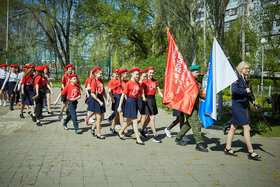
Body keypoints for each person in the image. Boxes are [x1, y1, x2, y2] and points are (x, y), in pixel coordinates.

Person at [225, 61, 261, 161]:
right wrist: (245, 90)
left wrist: (253, 101)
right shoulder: (236, 79)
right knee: (247, 127)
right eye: (246, 68)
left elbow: (249, 94)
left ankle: (227, 148)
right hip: (237, 106)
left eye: (249, 68)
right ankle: (251, 152)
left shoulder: (246, 81)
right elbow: (235, 91)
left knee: (233, 127)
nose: (248, 70)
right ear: (241, 69)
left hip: (244, 106)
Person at [174, 65, 208, 152]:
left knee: (189, 123)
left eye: (198, 71)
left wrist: (202, 96)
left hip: (195, 106)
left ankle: (178, 138)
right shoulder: (187, 82)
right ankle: (199, 143)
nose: (198, 73)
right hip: (189, 106)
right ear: (191, 72)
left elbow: (199, 93)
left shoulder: (197, 82)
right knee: (196, 123)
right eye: (196, 72)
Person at [117, 68, 144, 145]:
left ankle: (120, 131)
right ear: (132, 74)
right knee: (134, 120)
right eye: (136, 74)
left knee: (128, 121)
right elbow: (123, 95)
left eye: (138, 74)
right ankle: (138, 138)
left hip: (135, 102)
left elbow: (139, 95)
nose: (137, 75)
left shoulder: (138, 83)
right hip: (129, 102)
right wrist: (119, 106)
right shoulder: (128, 83)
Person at [139, 66, 163, 143]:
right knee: (152, 117)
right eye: (150, 73)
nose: (151, 74)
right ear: (146, 73)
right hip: (147, 99)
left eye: (152, 73)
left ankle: (142, 131)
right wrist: (143, 96)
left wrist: (164, 97)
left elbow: (158, 91)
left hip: (153, 99)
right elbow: (142, 90)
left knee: (149, 118)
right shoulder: (144, 81)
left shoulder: (155, 81)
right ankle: (155, 135)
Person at [86, 67, 108, 139]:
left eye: (102, 74)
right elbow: (92, 93)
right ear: (95, 74)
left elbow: (103, 91)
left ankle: (93, 127)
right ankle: (98, 134)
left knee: (102, 117)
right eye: (100, 74)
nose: (101, 75)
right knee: (98, 118)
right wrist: (99, 101)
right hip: (96, 100)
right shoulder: (93, 82)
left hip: (101, 99)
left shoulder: (101, 81)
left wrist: (107, 98)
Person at [107, 68, 119, 132]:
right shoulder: (111, 81)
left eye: (117, 73)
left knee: (118, 110)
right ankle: (111, 118)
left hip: (118, 96)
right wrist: (110, 98)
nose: (116, 74)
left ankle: (112, 119)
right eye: (115, 73)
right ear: (113, 74)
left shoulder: (119, 80)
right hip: (114, 96)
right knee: (116, 110)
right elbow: (109, 90)